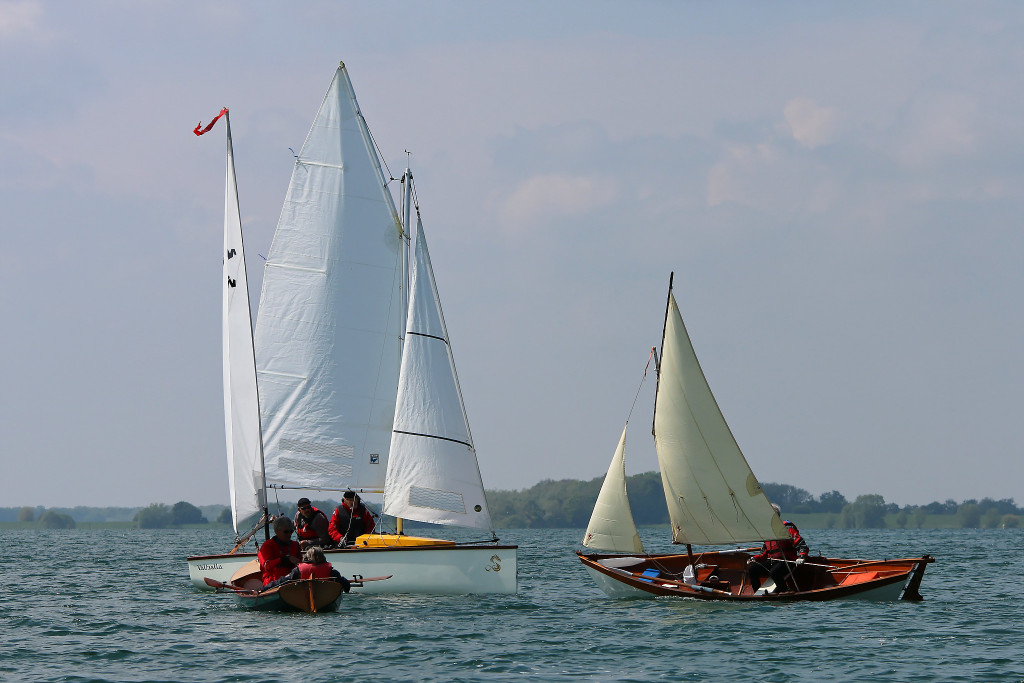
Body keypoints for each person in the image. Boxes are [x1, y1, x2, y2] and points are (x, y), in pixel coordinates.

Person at [747, 503, 809, 594]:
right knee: (753, 568)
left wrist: (802, 557)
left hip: (788, 562)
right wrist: (755, 558)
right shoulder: (768, 532)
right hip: (773, 561)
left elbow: (802, 545)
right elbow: (764, 553)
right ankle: (757, 594)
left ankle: (785, 590)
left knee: (774, 572)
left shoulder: (787, 528)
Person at [260, 546, 351, 593]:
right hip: (324, 597)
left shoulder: (298, 571)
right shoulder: (332, 572)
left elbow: (281, 582)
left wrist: (263, 590)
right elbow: (346, 586)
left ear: (307, 558)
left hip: (304, 598)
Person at [257, 516, 302, 586]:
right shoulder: (268, 545)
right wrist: (284, 559)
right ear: (276, 531)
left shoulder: (295, 545)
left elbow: (301, 564)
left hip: (293, 582)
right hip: (273, 583)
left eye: (291, 531)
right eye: (286, 532)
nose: (289, 534)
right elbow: (267, 566)